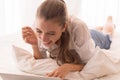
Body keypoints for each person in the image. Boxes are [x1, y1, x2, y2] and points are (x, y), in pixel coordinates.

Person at [22, 0, 98, 79]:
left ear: (64, 27)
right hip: (80, 36)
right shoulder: (41, 26)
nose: (43, 39)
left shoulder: (79, 28)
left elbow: (88, 63)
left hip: (94, 38)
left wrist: (68, 67)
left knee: (107, 33)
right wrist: (34, 46)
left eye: (51, 33)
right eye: (39, 31)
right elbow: (41, 59)